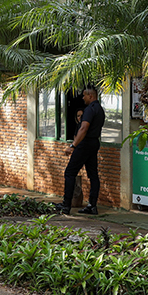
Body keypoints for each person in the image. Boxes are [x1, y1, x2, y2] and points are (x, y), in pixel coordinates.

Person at [60, 87, 104, 215]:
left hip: (85, 144)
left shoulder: (90, 109)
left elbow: (84, 128)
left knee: (70, 173)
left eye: (84, 95)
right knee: (93, 175)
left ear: (91, 96)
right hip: (94, 143)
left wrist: (73, 146)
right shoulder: (100, 109)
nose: (83, 98)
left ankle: (66, 205)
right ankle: (92, 206)